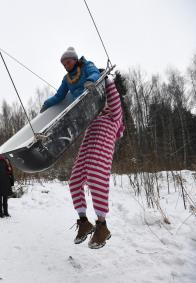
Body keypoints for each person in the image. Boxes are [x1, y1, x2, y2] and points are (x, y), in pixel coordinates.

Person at [69, 76, 125, 249]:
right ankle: (84, 222)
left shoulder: (115, 117)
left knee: (96, 181)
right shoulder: (93, 117)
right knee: (74, 181)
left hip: (101, 154)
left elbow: (114, 99)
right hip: (85, 153)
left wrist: (105, 80)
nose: (105, 107)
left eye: (107, 105)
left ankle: (102, 226)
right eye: (104, 105)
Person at [40, 47, 101, 112]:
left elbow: (95, 73)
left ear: (75, 59)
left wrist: (90, 81)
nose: (67, 66)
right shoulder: (66, 79)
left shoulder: (86, 65)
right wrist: (46, 104)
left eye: (68, 62)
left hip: (94, 98)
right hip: (80, 106)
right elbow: (59, 96)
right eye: (64, 65)